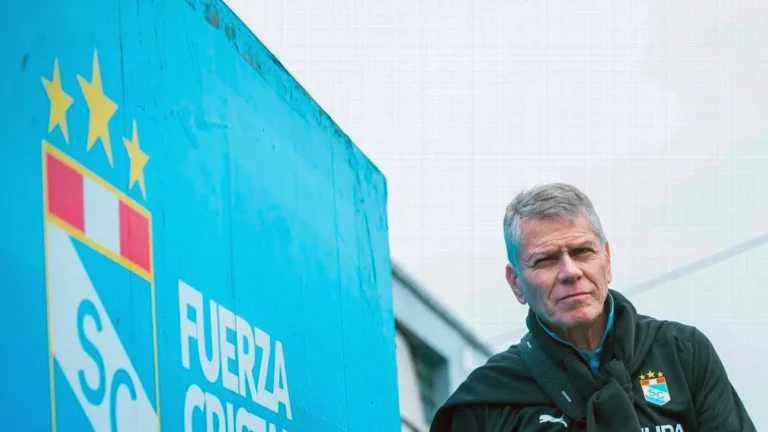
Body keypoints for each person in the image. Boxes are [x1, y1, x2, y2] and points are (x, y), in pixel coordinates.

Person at [429, 183, 756, 432]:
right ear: (516, 283)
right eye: (545, 260)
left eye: (582, 251)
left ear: (607, 261)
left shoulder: (684, 355)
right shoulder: (484, 404)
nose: (570, 271)